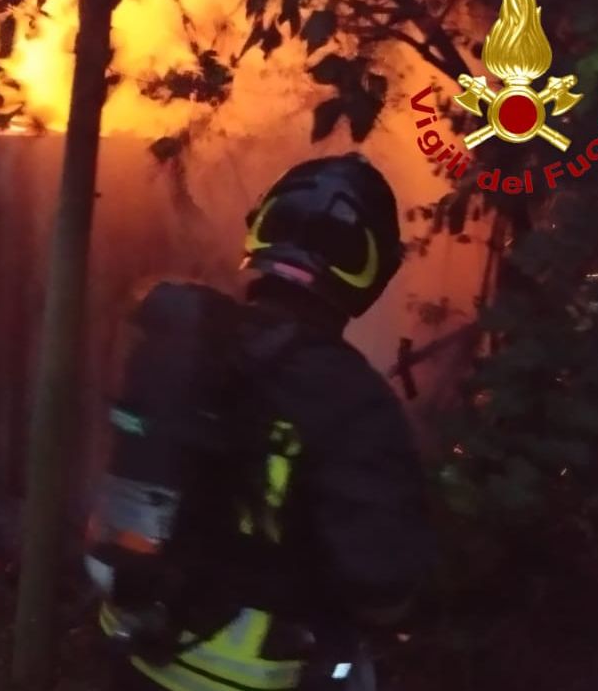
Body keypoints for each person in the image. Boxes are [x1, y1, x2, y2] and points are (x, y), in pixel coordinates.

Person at [85, 153, 436, 691]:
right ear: (373, 270)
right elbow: (384, 585)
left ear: (261, 235)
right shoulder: (352, 398)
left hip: (132, 651)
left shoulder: (184, 345)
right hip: (248, 678)